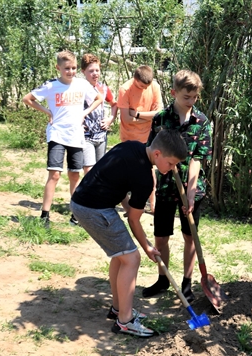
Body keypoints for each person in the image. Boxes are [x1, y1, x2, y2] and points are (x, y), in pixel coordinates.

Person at [70, 129, 188, 337]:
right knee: (132, 258)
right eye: (170, 164)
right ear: (158, 154)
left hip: (83, 200)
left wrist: (127, 207)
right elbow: (133, 220)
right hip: (94, 209)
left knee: (121, 255)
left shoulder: (132, 146)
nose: (172, 169)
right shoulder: (145, 179)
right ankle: (124, 321)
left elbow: (119, 184)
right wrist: (147, 247)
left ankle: (118, 308)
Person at [141, 70, 212, 304]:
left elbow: (197, 159)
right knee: (161, 237)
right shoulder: (161, 119)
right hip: (164, 188)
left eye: (194, 97)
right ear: (174, 93)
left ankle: (187, 282)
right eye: (186, 97)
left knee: (189, 237)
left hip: (192, 189)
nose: (190, 102)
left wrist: (190, 195)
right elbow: (153, 153)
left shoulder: (201, 122)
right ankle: (163, 278)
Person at [22, 50, 103, 227]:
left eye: (74, 68)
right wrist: (47, 112)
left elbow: (98, 98)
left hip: (76, 135)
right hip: (57, 134)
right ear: (58, 68)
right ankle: (44, 215)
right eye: (67, 68)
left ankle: (76, 215)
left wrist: (85, 113)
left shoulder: (82, 85)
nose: (71, 71)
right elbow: (28, 99)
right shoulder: (51, 86)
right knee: (55, 174)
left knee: (75, 175)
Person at [117, 65, 164, 212]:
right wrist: (149, 117)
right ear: (135, 79)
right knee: (127, 171)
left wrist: (137, 114)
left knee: (149, 170)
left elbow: (159, 113)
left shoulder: (154, 86)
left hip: (148, 136)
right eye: (141, 85)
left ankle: (153, 204)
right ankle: (128, 205)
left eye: (147, 86)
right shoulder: (125, 89)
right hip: (129, 137)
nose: (144, 88)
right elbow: (126, 118)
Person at [80, 53, 118, 174]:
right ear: (83, 71)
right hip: (85, 136)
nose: (95, 73)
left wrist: (110, 119)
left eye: (97, 70)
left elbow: (114, 104)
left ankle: (98, 193)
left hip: (101, 135)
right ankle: (87, 192)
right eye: (91, 71)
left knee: (101, 168)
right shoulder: (78, 88)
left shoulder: (103, 88)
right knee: (89, 168)